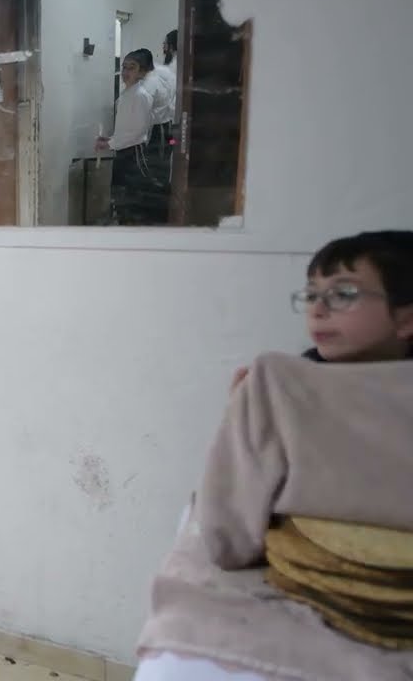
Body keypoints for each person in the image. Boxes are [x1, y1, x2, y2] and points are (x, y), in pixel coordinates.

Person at [135, 231, 413, 680]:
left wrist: (247, 417)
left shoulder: (278, 384)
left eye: (343, 294)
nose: (318, 309)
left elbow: (229, 537)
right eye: (311, 295)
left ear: (406, 318)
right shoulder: (277, 388)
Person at [96, 49, 169, 224]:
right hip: (123, 151)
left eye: (132, 68)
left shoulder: (141, 95)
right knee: (120, 195)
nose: (126, 72)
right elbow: (126, 127)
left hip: (134, 154)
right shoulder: (127, 93)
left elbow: (138, 132)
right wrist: (109, 139)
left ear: (142, 72)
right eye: (125, 67)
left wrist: (111, 144)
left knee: (132, 197)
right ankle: (123, 223)